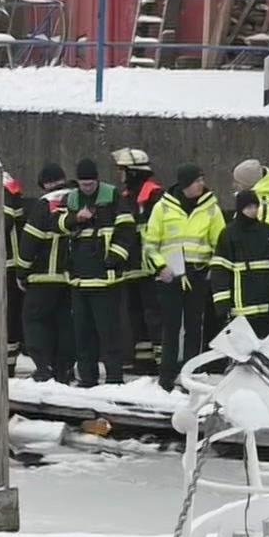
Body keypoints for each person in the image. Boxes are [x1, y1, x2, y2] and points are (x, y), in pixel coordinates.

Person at [145, 162, 225, 391]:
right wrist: (161, 267)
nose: (202, 184)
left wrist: (212, 268)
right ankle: (167, 377)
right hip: (170, 275)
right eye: (198, 180)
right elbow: (150, 244)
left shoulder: (211, 209)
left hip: (198, 274)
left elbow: (219, 243)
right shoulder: (163, 208)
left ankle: (191, 374)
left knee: (194, 327)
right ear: (186, 183)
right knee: (170, 327)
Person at [59, 158, 138, 386]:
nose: (87, 188)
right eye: (83, 185)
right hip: (79, 280)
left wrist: (114, 257)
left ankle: (114, 378)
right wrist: (76, 218)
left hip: (106, 280)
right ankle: (87, 379)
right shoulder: (71, 198)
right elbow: (58, 223)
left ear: (97, 180)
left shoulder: (112, 196)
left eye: (90, 184)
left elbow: (127, 229)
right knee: (83, 335)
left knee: (109, 333)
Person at [211, 189, 269, 339]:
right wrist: (223, 305)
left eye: (255, 206)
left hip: (268, 306)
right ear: (240, 209)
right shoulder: (229, 234)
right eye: (248, 207)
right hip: (241, 308)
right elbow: (220, 271)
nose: (253, 211)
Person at [20, 162, 74, 383]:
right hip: (72, 279)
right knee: (64, 323)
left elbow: (30, 241)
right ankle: (64, 369)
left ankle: (44, 367)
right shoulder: (78, 199)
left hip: (43, 277)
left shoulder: (45, 204)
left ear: (47, 184)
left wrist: (21, 272)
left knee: (34, 320)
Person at [114, 147, 165, 372]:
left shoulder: (155, 195)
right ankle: (143, 361)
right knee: (135, 315)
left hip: (153, 266)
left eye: (123, 170)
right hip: (132, 266)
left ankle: (163, 361)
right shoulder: (125, 197)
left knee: (155, 315)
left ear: (133, 171)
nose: (120, 175)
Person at [0, 147, 29, 370]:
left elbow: (1, 224)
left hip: (6, 263)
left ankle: (7, 365)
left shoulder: (3, 188)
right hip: (0, 262)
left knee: (7, 316)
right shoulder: (6, 185)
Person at [233, 158, 269, 237]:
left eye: (238, 182)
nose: (234, 185)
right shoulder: (256, 203)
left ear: (248, 183)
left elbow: (263, 241)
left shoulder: (264, 208)